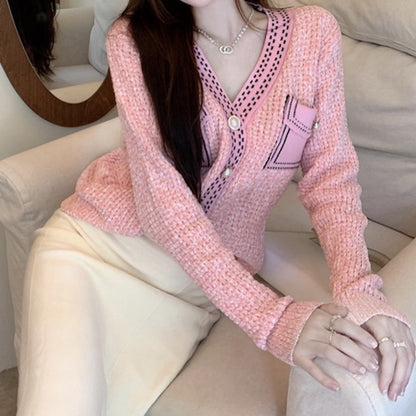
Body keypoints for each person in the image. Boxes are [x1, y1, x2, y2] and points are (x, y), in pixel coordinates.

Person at [17, 0, 415, 415]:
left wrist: (358, 289)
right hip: (95, 253)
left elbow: (330, 179)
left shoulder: (312, 34)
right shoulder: (133, 40)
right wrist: (272, 318)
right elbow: (164, 206)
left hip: (201, 288)